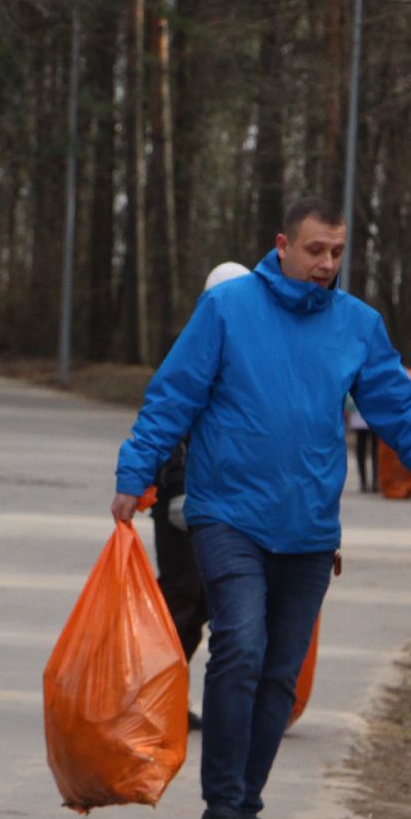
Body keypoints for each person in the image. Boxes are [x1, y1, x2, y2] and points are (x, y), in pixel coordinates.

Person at [112, 197, 411, 819]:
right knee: (240, 646)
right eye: (315, 250)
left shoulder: (357, 324)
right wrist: (136, 472)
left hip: (308, 528)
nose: (327, 263)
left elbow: (399, 407)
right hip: (228, 513)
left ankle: (247, 812)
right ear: (282, 245)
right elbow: (173, 394)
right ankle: (219, 810)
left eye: (337, 252)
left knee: (279, 674)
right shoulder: (228, 309)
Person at [152, 261, 251, 732]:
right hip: (183, 501)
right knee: (181, 598)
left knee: (209, 603)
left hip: (230, 504)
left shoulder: (252, 354)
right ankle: (155, 697)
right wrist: (176, 487)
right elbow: (168, 421)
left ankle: (170, 696)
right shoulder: (192, 349)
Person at [344, 395, 376, 492]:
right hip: (359, 406)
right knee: (362, 443)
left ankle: (375, 480)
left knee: (374, 445)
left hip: (373, 405)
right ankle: (363, 480)